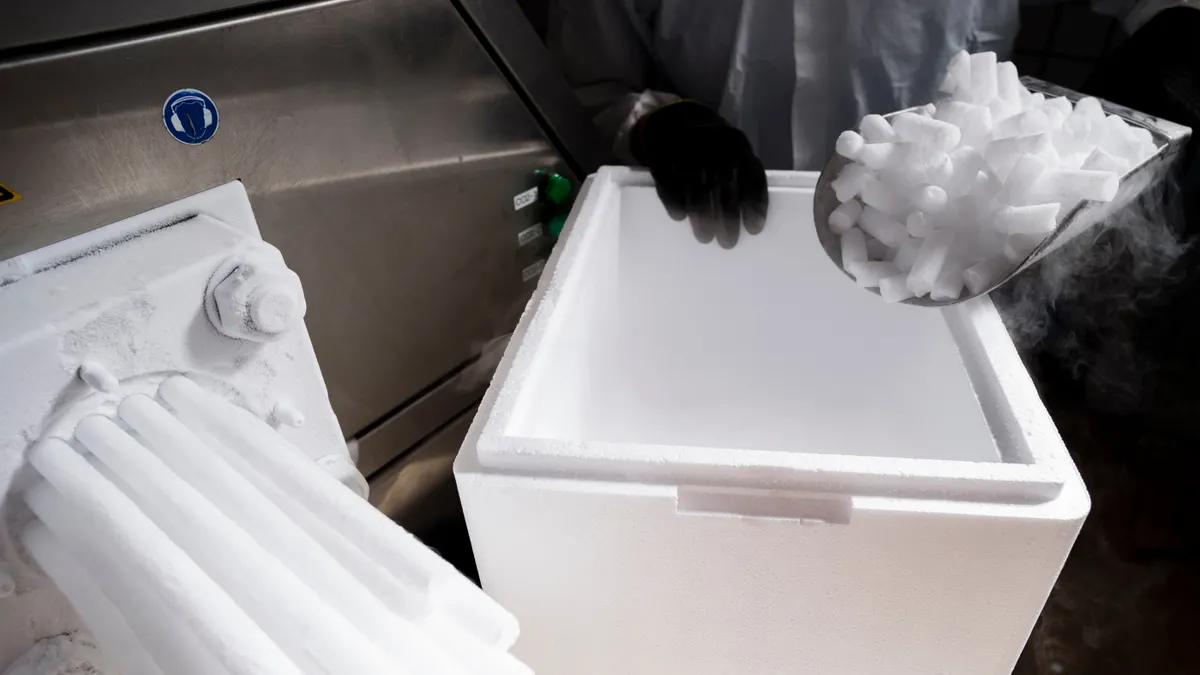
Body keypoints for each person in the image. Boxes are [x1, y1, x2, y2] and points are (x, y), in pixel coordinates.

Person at [546, 0, 1021, 247]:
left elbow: (983, 87)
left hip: (903, 247)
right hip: (702, 235)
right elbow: (588, 91)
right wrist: (659, 126)